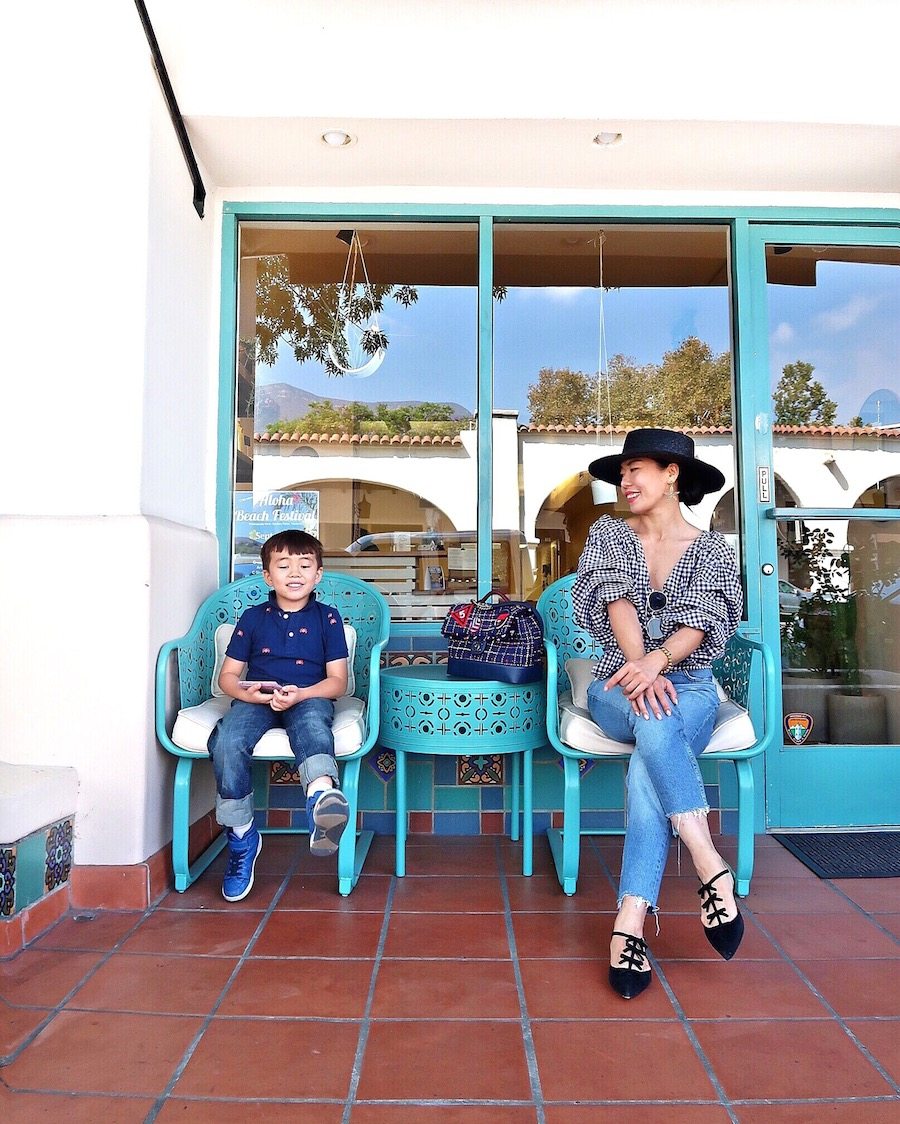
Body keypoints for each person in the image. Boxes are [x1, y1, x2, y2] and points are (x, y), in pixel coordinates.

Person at [571, 428, 744, 999]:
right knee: (649, 711)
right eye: (621, 473)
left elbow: (703, 619)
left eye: (635, 470)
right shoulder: (607, 535)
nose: (624, 481)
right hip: (616, 680)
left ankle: (629, 923)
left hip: (690, 683)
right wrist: (642, 668)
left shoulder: (712, 548)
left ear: (672, 475)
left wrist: (661, 663)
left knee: (653, 740)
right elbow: (615, 599)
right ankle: (707, 860)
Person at [208, 529, 351, 902]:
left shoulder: (328, 618)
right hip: (257, 698)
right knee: (229, 739)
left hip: (308, 696)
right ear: (268, 576)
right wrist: (245, 691)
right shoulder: (253, 618)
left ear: (318, 574)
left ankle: (321, 799)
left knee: (314, 726)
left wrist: (303, 693)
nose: (295, 573)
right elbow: (228, 677)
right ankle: (241, 839)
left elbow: (337, 682)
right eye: (283, 565)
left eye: (305, 565)